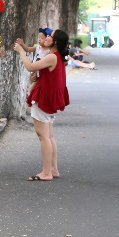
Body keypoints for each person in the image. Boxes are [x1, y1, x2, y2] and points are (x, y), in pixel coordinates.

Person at [14, 29, 70, 181]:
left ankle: (46, 172)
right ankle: (53, 169)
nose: (46, 38)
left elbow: (31, 66)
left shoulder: (52, 56)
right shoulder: (56, 56)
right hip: (50, 98)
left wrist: (21, 51)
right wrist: (36, 78)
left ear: (55, 42)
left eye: (50, 37)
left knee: (43, 136)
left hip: (44, 99)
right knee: (49, 136)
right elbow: (43, 74)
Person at [15, 28, 52, 93]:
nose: (39, 39)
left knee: (35, 85)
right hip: (34, 68)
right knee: (32, 83)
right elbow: (28, 49)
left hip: (40, 70)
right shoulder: (37, 47)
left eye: (42, 38)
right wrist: (22, 44)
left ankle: (30, 94)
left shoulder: (48, 52)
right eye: (39, 37)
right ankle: (30, 94)